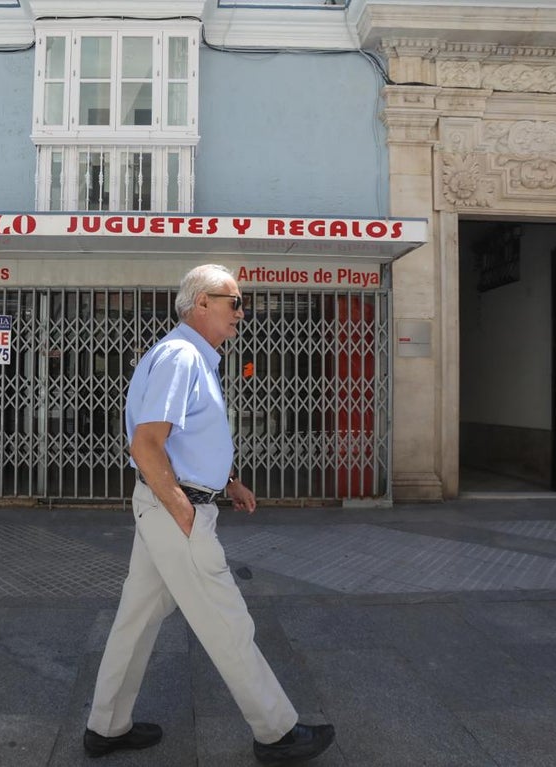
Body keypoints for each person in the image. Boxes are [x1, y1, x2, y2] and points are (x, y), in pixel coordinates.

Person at [83, 264, 335, 764]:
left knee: (136, 620)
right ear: (201, 303)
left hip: (172, 504)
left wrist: (228, 482)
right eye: (234, 301)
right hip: (176, 509)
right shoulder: (181, 356)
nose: (242, 312)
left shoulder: (196, 358)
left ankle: (106, 727)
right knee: (227, 621)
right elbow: (148, 442)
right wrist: (183, 510)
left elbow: (185, 438)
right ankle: (276, 731)